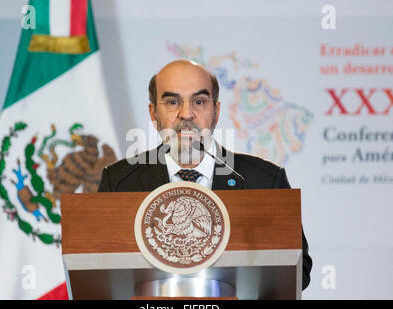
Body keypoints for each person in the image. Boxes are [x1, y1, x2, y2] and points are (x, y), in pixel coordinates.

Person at [98, 60, 312, 290]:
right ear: (153, 113)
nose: (186, 113)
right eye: (172, 102)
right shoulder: (119, 182)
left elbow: (299, 272)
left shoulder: (264, 181)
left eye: (199, 102)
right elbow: (95, 267)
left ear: (216, 111)